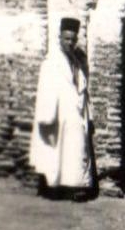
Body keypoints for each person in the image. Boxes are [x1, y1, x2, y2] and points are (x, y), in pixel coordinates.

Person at [29, 16, 96, 201]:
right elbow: (46, 88)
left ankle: (77, 187)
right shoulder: (52, 62)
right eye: (66, 39)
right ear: (60, 37)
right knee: (58, 152)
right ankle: (57, 188)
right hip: (60, 113)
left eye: (73, 39)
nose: (70, 43)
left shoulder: (77, 61)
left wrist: (89, 115)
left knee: (77, 151)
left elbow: (83, 88)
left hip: (76, 113)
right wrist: (47, 115)